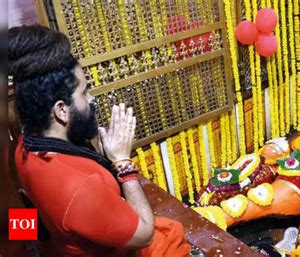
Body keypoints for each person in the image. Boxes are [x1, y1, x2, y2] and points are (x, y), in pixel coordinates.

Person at [9, 25, 190, 257]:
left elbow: (27, 207)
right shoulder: (79, 187)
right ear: (61, 110)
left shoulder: (25, 144)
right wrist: (123, 162)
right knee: (171, 234)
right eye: (84, 93)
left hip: (57, 246)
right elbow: (145, 235)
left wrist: (37, 245)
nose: (91, 99)